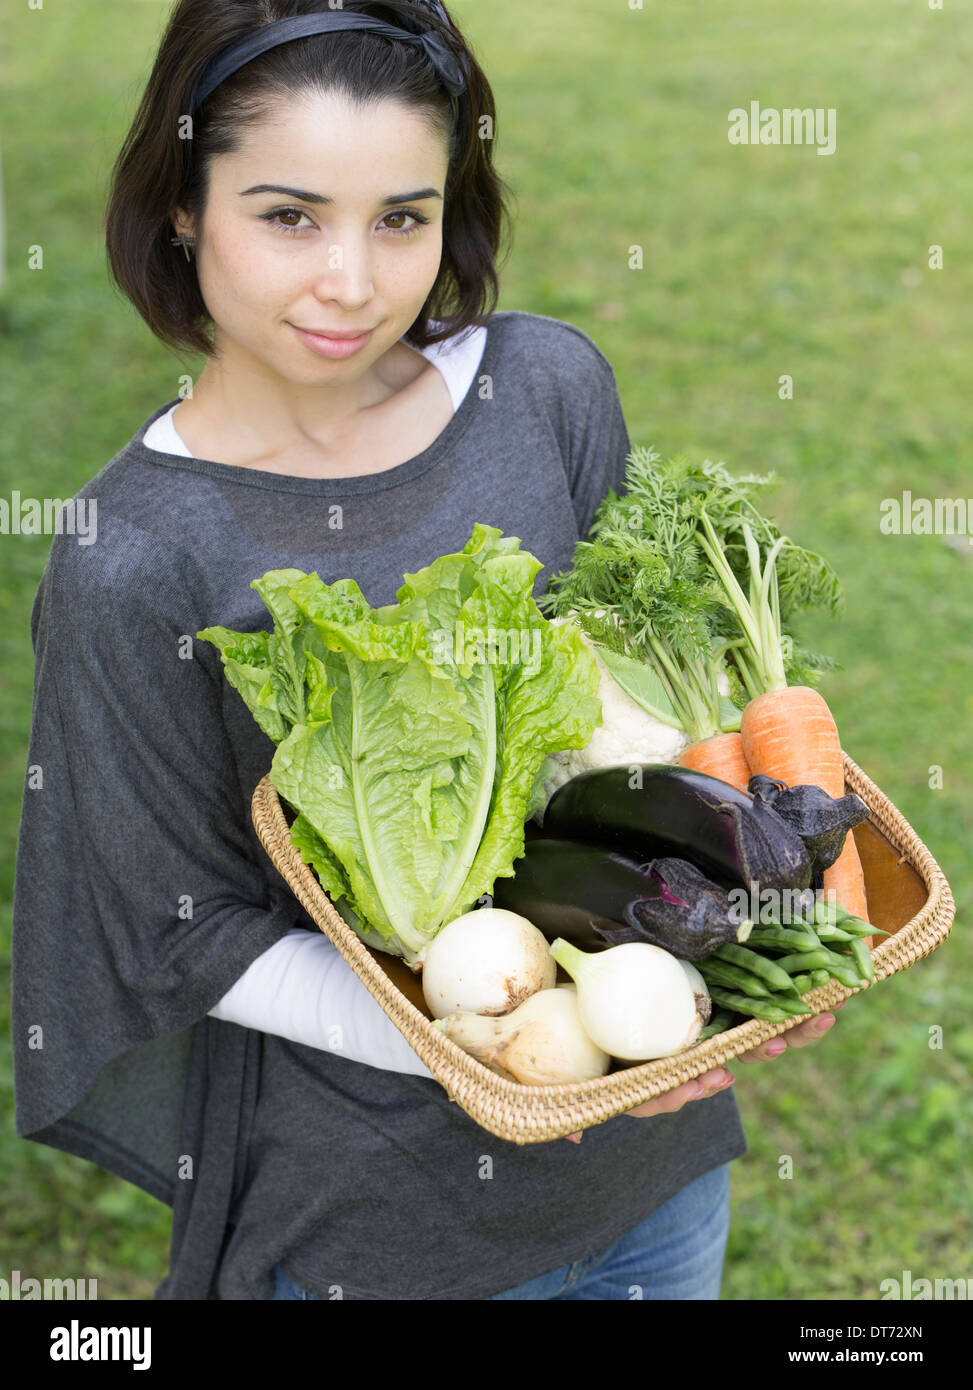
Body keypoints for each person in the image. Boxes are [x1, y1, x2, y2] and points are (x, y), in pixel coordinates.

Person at [11, 0, 841, 1301]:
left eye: (401, 216)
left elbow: (661, 718)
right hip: (378, 1233)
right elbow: (180, 931)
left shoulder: (547, 390)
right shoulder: (133, 549)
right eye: (288, 215)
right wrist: (509, 1041)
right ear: (182, 203)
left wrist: (726, 976)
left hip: (655, 1179)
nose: (353, 280)